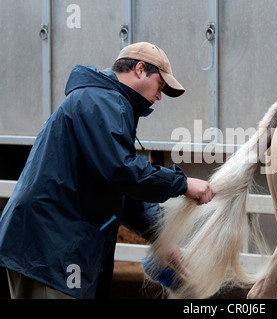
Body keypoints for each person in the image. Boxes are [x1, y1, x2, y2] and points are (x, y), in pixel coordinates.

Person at [0, 42, 215, 299]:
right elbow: (120, 170)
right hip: (49, 249)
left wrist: (161, 236)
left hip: (53, 244)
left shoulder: (105, 102)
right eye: (160, 86)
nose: (159, 96)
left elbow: (121, 189)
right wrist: (183, 184)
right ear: (139, 69)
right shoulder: (101, 101)